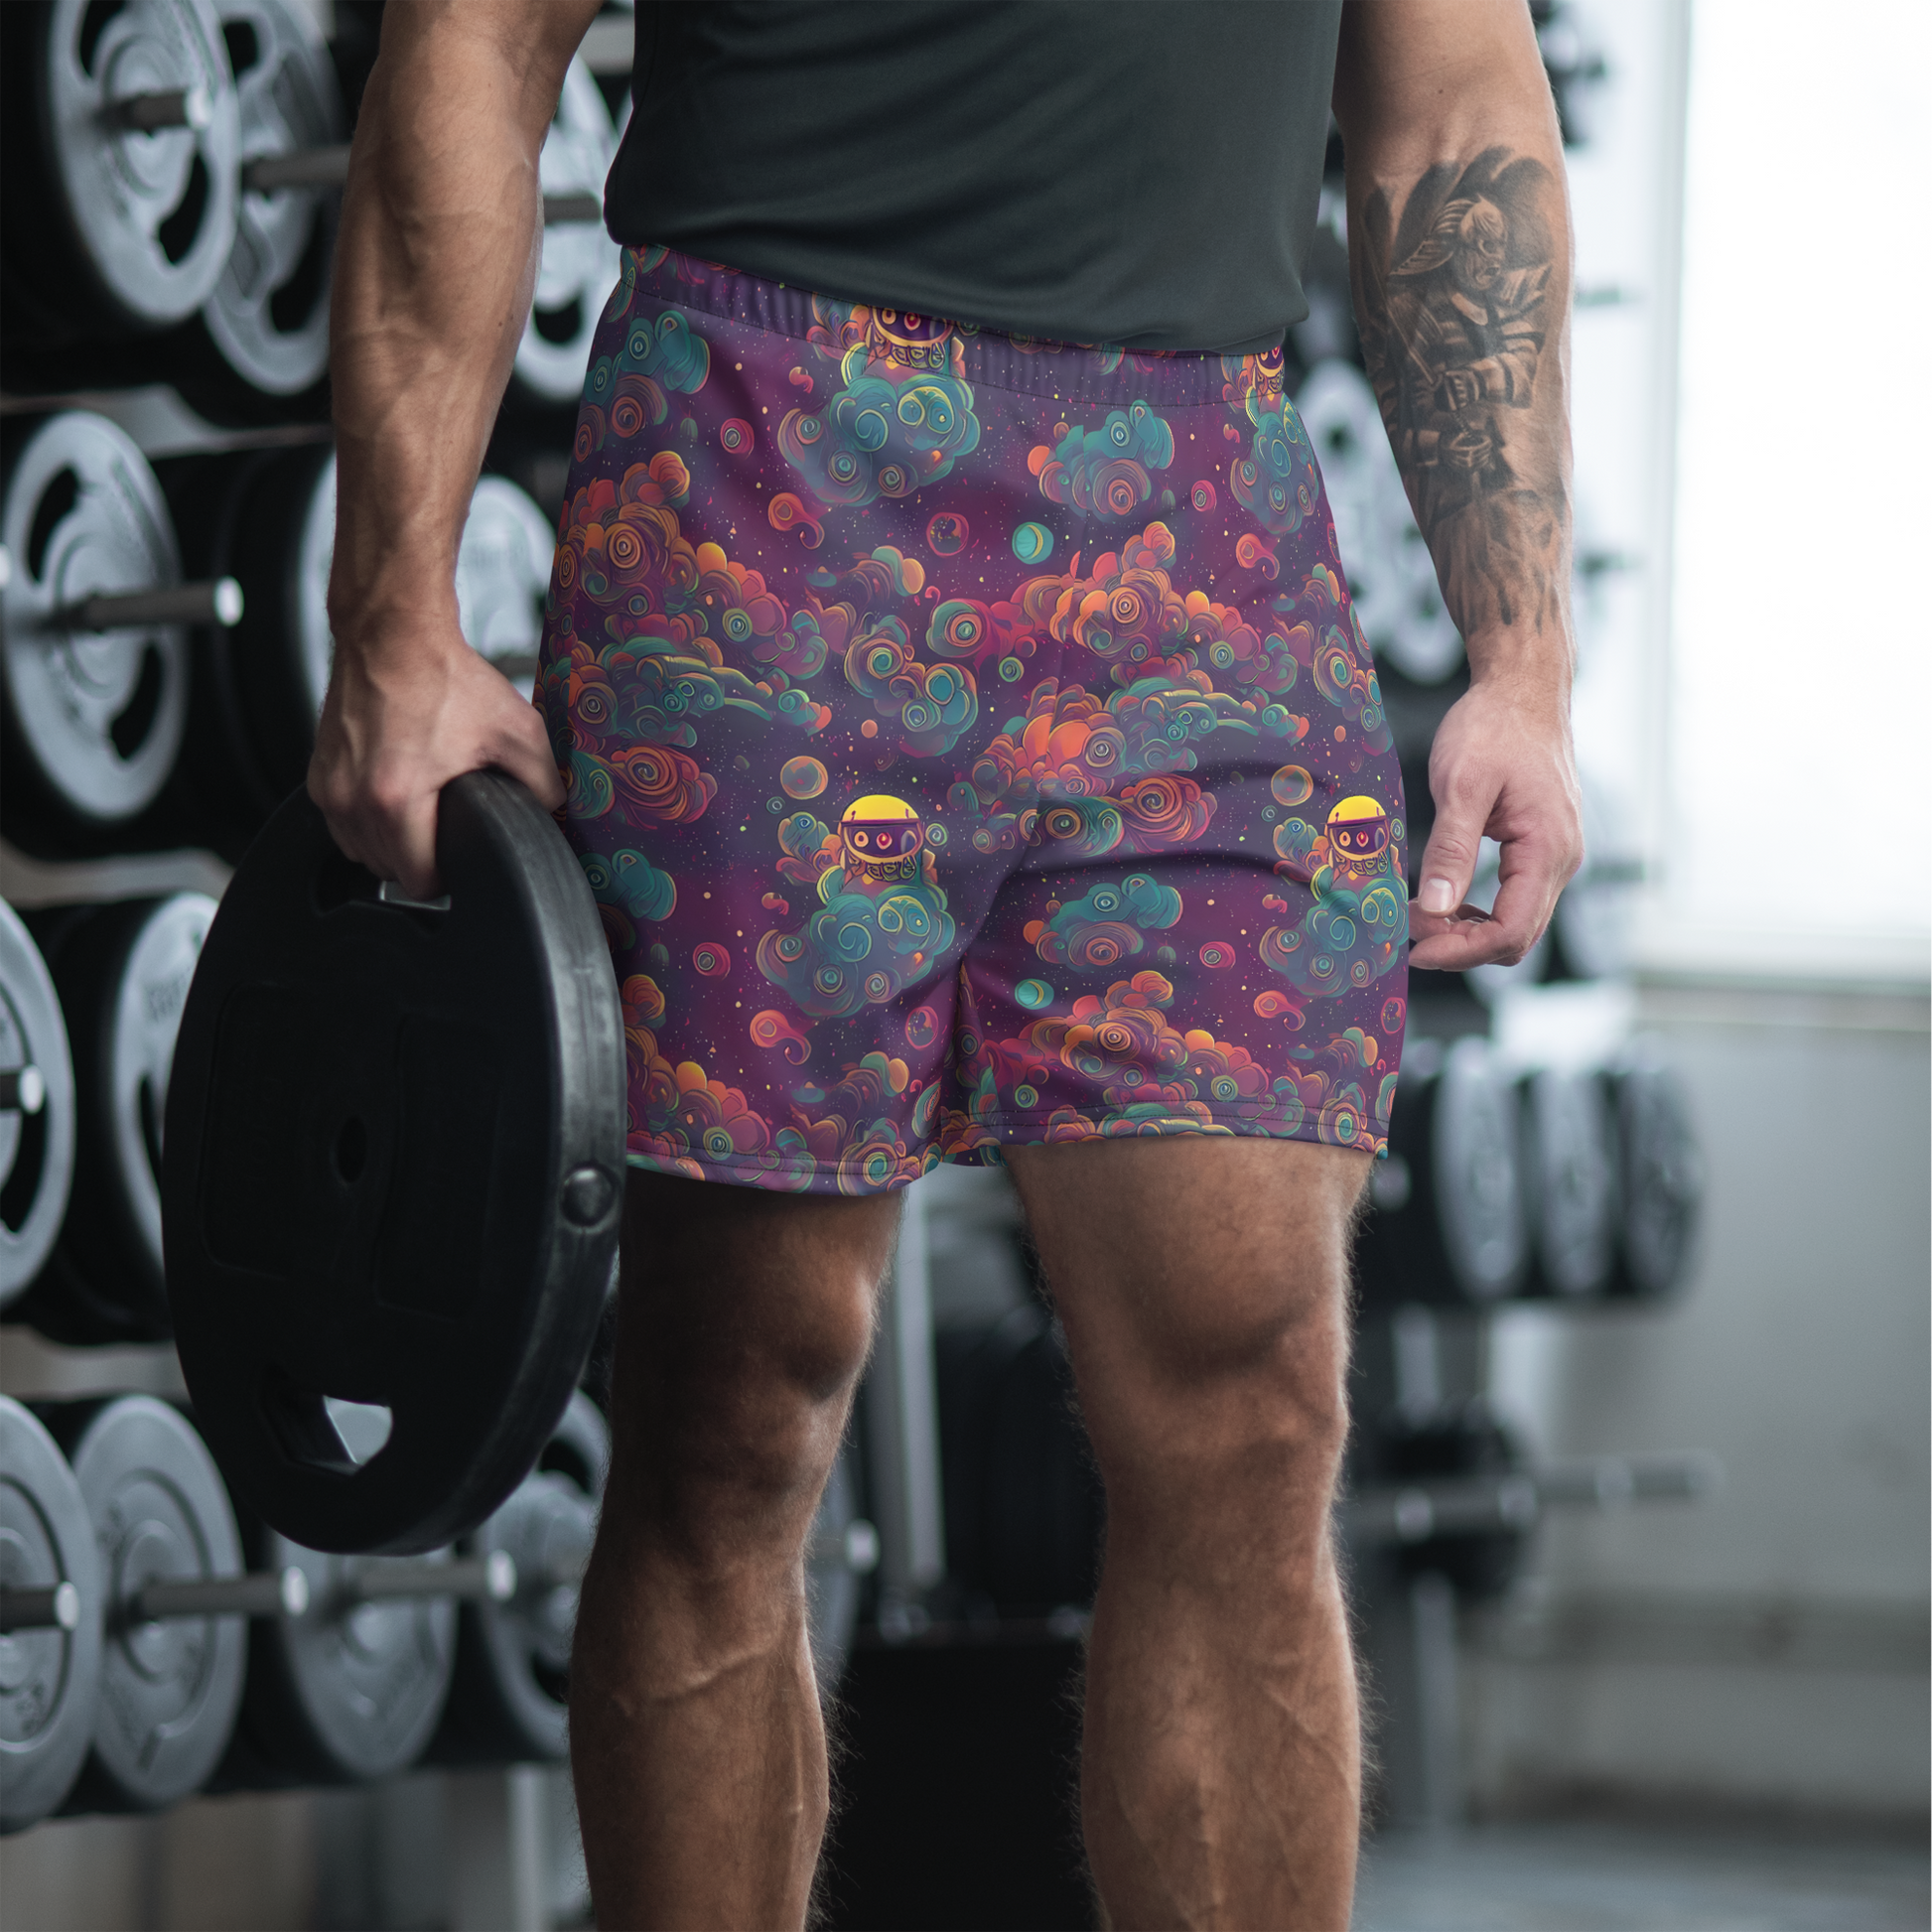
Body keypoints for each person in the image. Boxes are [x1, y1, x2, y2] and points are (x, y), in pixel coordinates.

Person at [312, 3, 1582, 1924]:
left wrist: (1522, 652)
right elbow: (477, 36)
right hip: (762, 471)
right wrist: (393, 610)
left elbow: (1453, 93)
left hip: (1205, 519)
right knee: (733, 1405)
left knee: (1252, 1404)